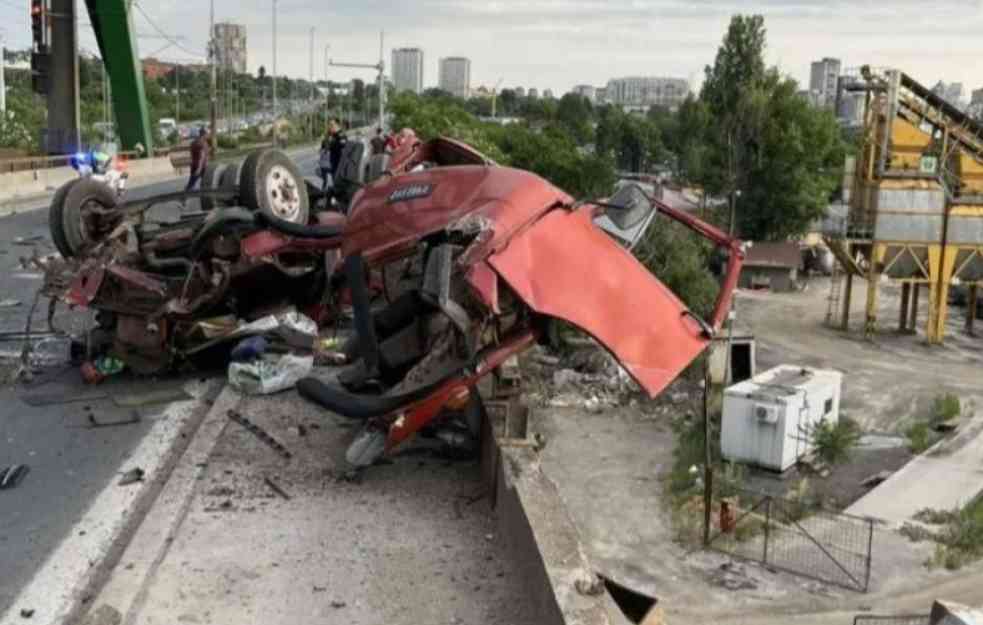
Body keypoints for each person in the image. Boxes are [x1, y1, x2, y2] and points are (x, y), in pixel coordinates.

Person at [186, 127, 209, 192]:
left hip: (195, 165)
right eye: (207, 133)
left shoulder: (194, 143)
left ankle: (187, 193)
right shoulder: (201, 143)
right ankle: (185, 195)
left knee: (192, 183)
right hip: (201, 166)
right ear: (204, 134)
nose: (208, 135)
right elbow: (201, 157)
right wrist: (199, 168)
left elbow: (192, 155)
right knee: (192, 185)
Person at [318, 124, 335, 191]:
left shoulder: (322, 147)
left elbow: (321, 150)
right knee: (334, 177)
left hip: (323, 166)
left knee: (325, 181)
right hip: (328, 166)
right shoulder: (330, 142)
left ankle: (323, 190)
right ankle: (334, 188)